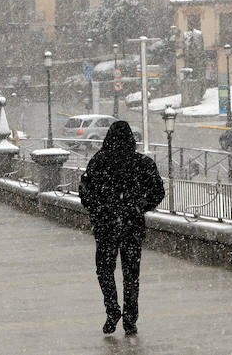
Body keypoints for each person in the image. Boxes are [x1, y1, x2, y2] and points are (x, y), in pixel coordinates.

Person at [79, 121, 165, 336]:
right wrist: (138, 207)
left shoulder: (98, 162)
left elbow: (85, 192)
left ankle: (112, 310)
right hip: (132, 226)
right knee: (131, 274)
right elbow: (158, 192)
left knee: (105, 271)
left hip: (106, 226)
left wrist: (100, 210)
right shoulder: (143, 163)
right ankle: (130, 319)